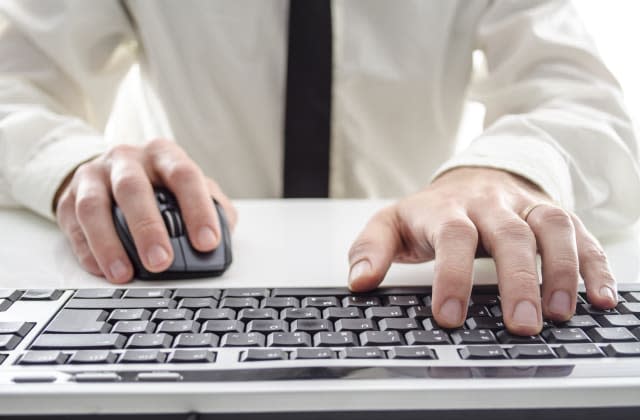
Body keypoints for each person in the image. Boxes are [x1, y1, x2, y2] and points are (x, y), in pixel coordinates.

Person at [0, 0, 638, 337]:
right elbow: (14, 84)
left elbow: (580, 96)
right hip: (177, 288)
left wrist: (502, 173)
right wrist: (73, 166)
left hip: (414, 282)